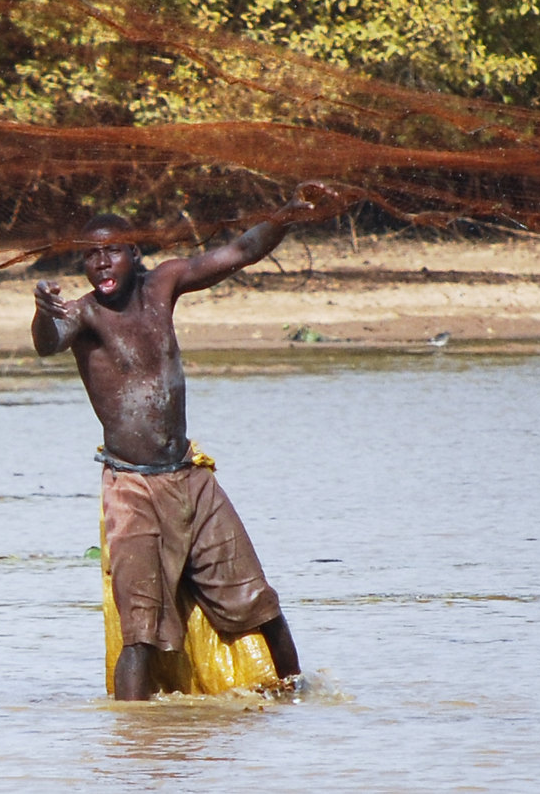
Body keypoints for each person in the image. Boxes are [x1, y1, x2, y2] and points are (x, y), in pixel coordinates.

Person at [31, 195, 322, 700]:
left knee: (261, 605)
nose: (102, 262)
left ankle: (297, 699)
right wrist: (42, 313)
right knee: (141, 634)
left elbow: (240, 252)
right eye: (91, 255)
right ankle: (135, 730)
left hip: (190, 477)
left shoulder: (163, 284)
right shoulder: (84, 315)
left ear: (134, 253)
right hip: (132, 489)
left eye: (112, 251)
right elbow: (47, 342)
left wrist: (289, 214)